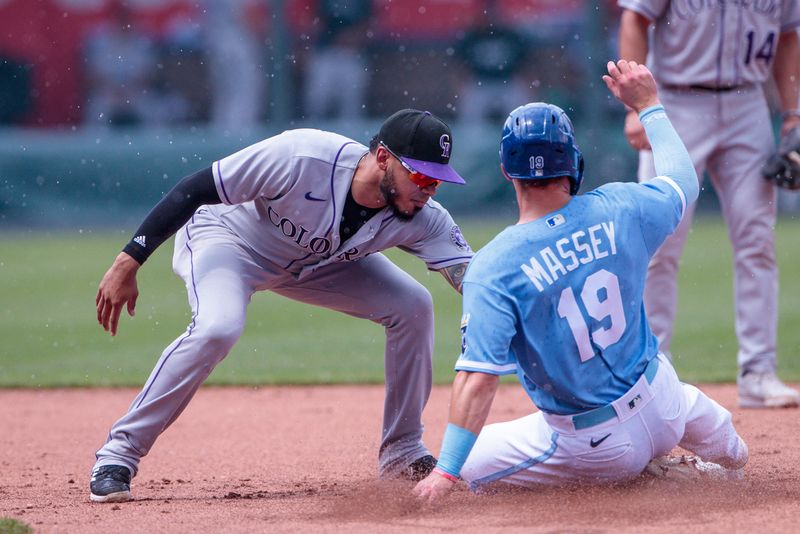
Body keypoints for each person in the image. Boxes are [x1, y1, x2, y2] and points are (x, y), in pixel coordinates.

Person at [90, 109, 474, 502]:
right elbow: (194, 189)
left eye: (438, 181)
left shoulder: (423, 217)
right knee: (218, 328)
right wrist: (129, 260)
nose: (429, 190)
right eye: (421, 176)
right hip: (227, 241)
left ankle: (403, 452)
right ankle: (118, 454)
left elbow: (474, 279)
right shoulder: (302, 157)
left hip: (315, 264)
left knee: (413, 305)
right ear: (382, 158)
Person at [413, 60, 748, 501]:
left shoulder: (494, 265)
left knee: (469, 465)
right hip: (664, 404)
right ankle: (724, 445)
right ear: (573, 160)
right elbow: (683, 181)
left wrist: (447, 473)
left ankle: (644, 473)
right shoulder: (621, 206)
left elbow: (479, 379)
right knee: (716, 438)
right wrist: (648, 105)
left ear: (505, 171)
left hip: (598, 446)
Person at [617, 1, 800, 408]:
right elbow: (635, 18)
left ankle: (759, 372)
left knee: (757, 240)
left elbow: (788, 36)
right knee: (658, 243)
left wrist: (793, 115)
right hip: (674, 103)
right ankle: (651, 372)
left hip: (748, 104)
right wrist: (637, 107)